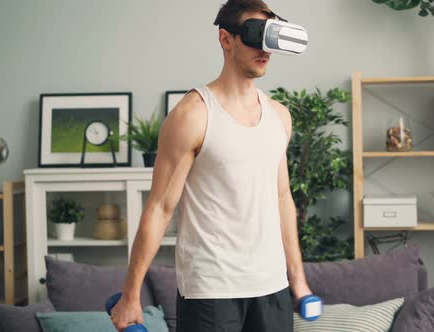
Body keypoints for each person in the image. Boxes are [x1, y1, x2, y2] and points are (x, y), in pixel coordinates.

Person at [110, 0, 312, 331]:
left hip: (271, 286)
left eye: (270, 38)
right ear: (226, 39)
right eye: (254, 36)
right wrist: (130, 295)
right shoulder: (193, 115)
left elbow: (281, 199)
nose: (265, 50)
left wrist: (298, 280)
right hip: (211, 290)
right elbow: (160, 208)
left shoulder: (280, 117)